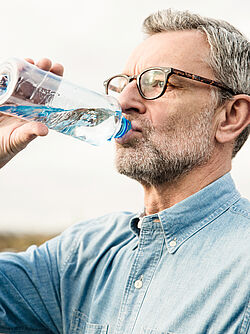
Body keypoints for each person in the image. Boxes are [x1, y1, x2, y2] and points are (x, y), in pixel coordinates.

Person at [0, 8, 249, 334]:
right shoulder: (84, 252)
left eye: (157, 82)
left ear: (230, 116)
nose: (124, 101)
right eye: (123, 84)